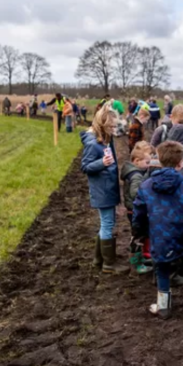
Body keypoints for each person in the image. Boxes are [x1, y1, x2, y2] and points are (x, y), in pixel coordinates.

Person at [132, 141, 183, 319]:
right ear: (180, 163)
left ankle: (163, 307)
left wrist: (140, 232)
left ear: (158, 160)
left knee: (161, 267)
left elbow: (138, 213)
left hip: (159, 236)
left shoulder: (146, 186)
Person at [80, 108, 129, 274]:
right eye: (110, 126)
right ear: (102, 125)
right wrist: (102, 163)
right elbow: (85, 166)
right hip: (102, 190)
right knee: (108, 223)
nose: (113, 130)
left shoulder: (105, 139)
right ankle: (109, 264)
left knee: (106, 223)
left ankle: (99, 259)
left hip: (107, 187)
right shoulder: (93, 144)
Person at [122, 142, 153, 275]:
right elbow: (136, 193)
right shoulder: (136, 176)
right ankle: (136, 266)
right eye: (147, 162)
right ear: (136, 161)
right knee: (137, 237)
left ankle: (143, 258)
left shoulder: (135, 172)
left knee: (141, 234)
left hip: (133, 210)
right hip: (135, 211)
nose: (149, 165)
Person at [151, 104, 183, 183]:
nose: (182, 126)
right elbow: (152, 150)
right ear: (171, 117)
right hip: (161, 172)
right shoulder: (162, 130)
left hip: (181, 172)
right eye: (179, 122)